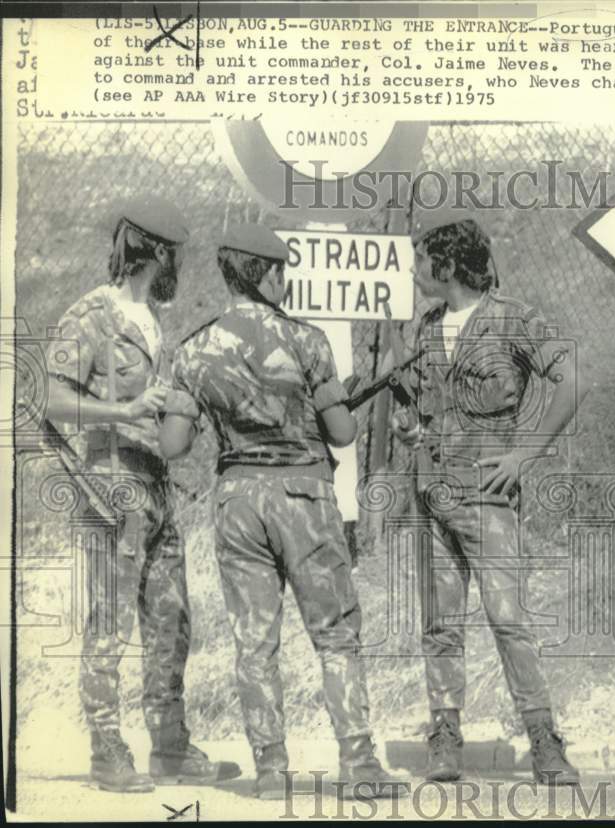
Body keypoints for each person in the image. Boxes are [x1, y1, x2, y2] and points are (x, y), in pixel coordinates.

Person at [159, 223, 402, 800]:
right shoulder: (307, 341)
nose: (287, 280)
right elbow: (341, 435)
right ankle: (359, 764)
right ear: (264, 272)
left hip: (238, 500)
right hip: (304, 499)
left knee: (254, 641)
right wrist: (330, 402)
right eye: (282, 271)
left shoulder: (194, 348)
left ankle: (270, 769)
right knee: (336, 636)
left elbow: (174, 445)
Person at [44, 196, 240, 793]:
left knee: (171, 619)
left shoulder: (151, 317)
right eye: (173, 252)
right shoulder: (92, 314)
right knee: (109, 624)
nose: (178, 263)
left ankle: (170, 748)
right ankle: (108, 751)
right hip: (109, 485)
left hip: (155, 485)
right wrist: (125, 407)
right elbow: (47, 399)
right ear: (154, 252)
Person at [392, 210, 585, 785]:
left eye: (423, 259)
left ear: (447, 264)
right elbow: (421, 409)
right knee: (440, 624)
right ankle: (445, 736)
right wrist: (411, 432)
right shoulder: (424, 327)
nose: (416, 269)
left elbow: (575, 379)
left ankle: (545, 742)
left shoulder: (512, 321)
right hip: (433, 497)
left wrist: (525, 452)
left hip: (488, 497)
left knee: (508, 620)